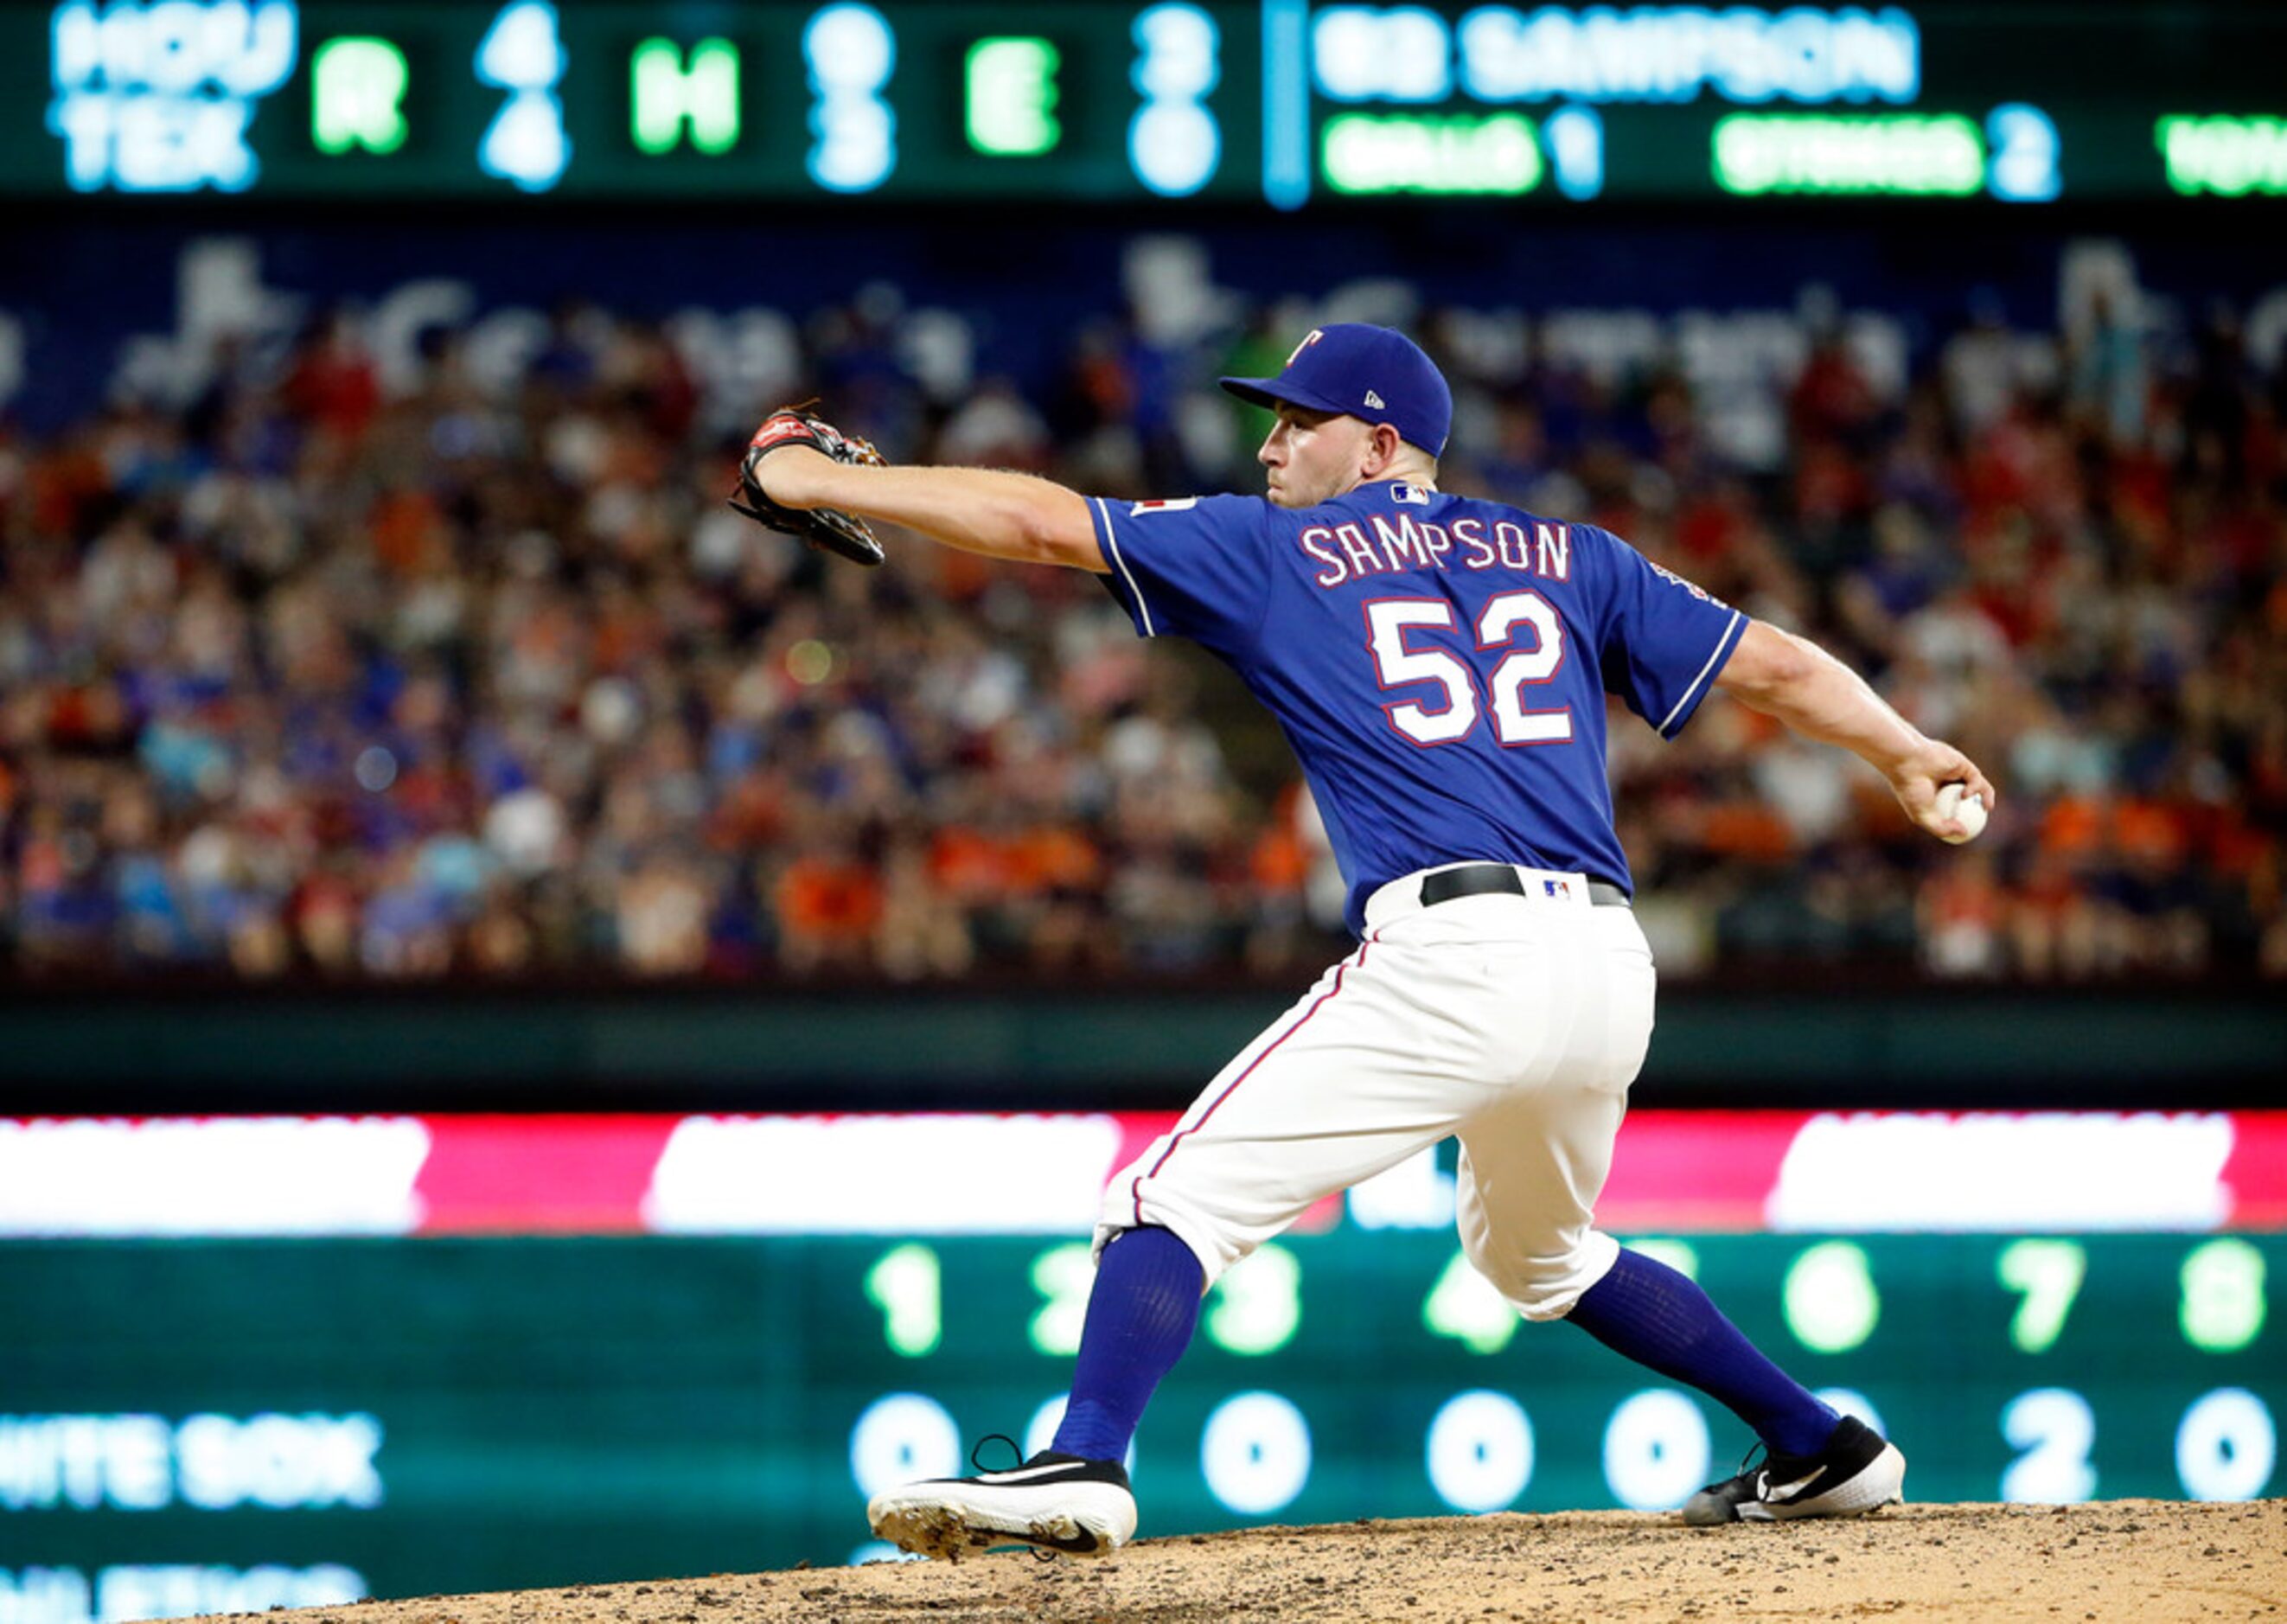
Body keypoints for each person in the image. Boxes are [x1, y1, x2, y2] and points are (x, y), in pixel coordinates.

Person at [739, 323, 1996, 1559]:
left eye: (1298, 420)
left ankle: (1087, 1456)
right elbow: (1768, 663)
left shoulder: (1273, 548)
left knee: (1162, 1197)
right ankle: (1816, 1443)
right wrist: (1900, 748)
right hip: (1608, 963)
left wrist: (812, 476)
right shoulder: (1566, 552)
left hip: (1454, 951)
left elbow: (1035, 521)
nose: (1271, 445)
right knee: (1536, 1250)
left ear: (1380, 442)